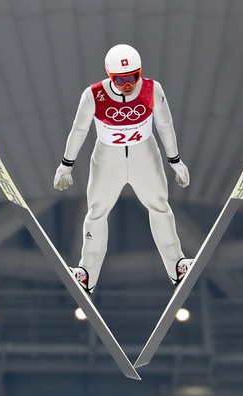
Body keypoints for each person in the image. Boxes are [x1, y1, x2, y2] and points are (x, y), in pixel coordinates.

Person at [53, 44, 191, 294]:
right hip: (108, 158)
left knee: (160, 207)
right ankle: (87, 274)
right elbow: (79, 130)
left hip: (144, 155)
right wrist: (66, 164)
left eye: (132, 77)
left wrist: (175, 160)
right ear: (109, 74)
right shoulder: (93, 95)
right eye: (120, 79)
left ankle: (177, 266)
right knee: (96, 213)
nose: (127, 84)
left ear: (140, 72)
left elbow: (165, 124)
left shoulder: (151, 89)